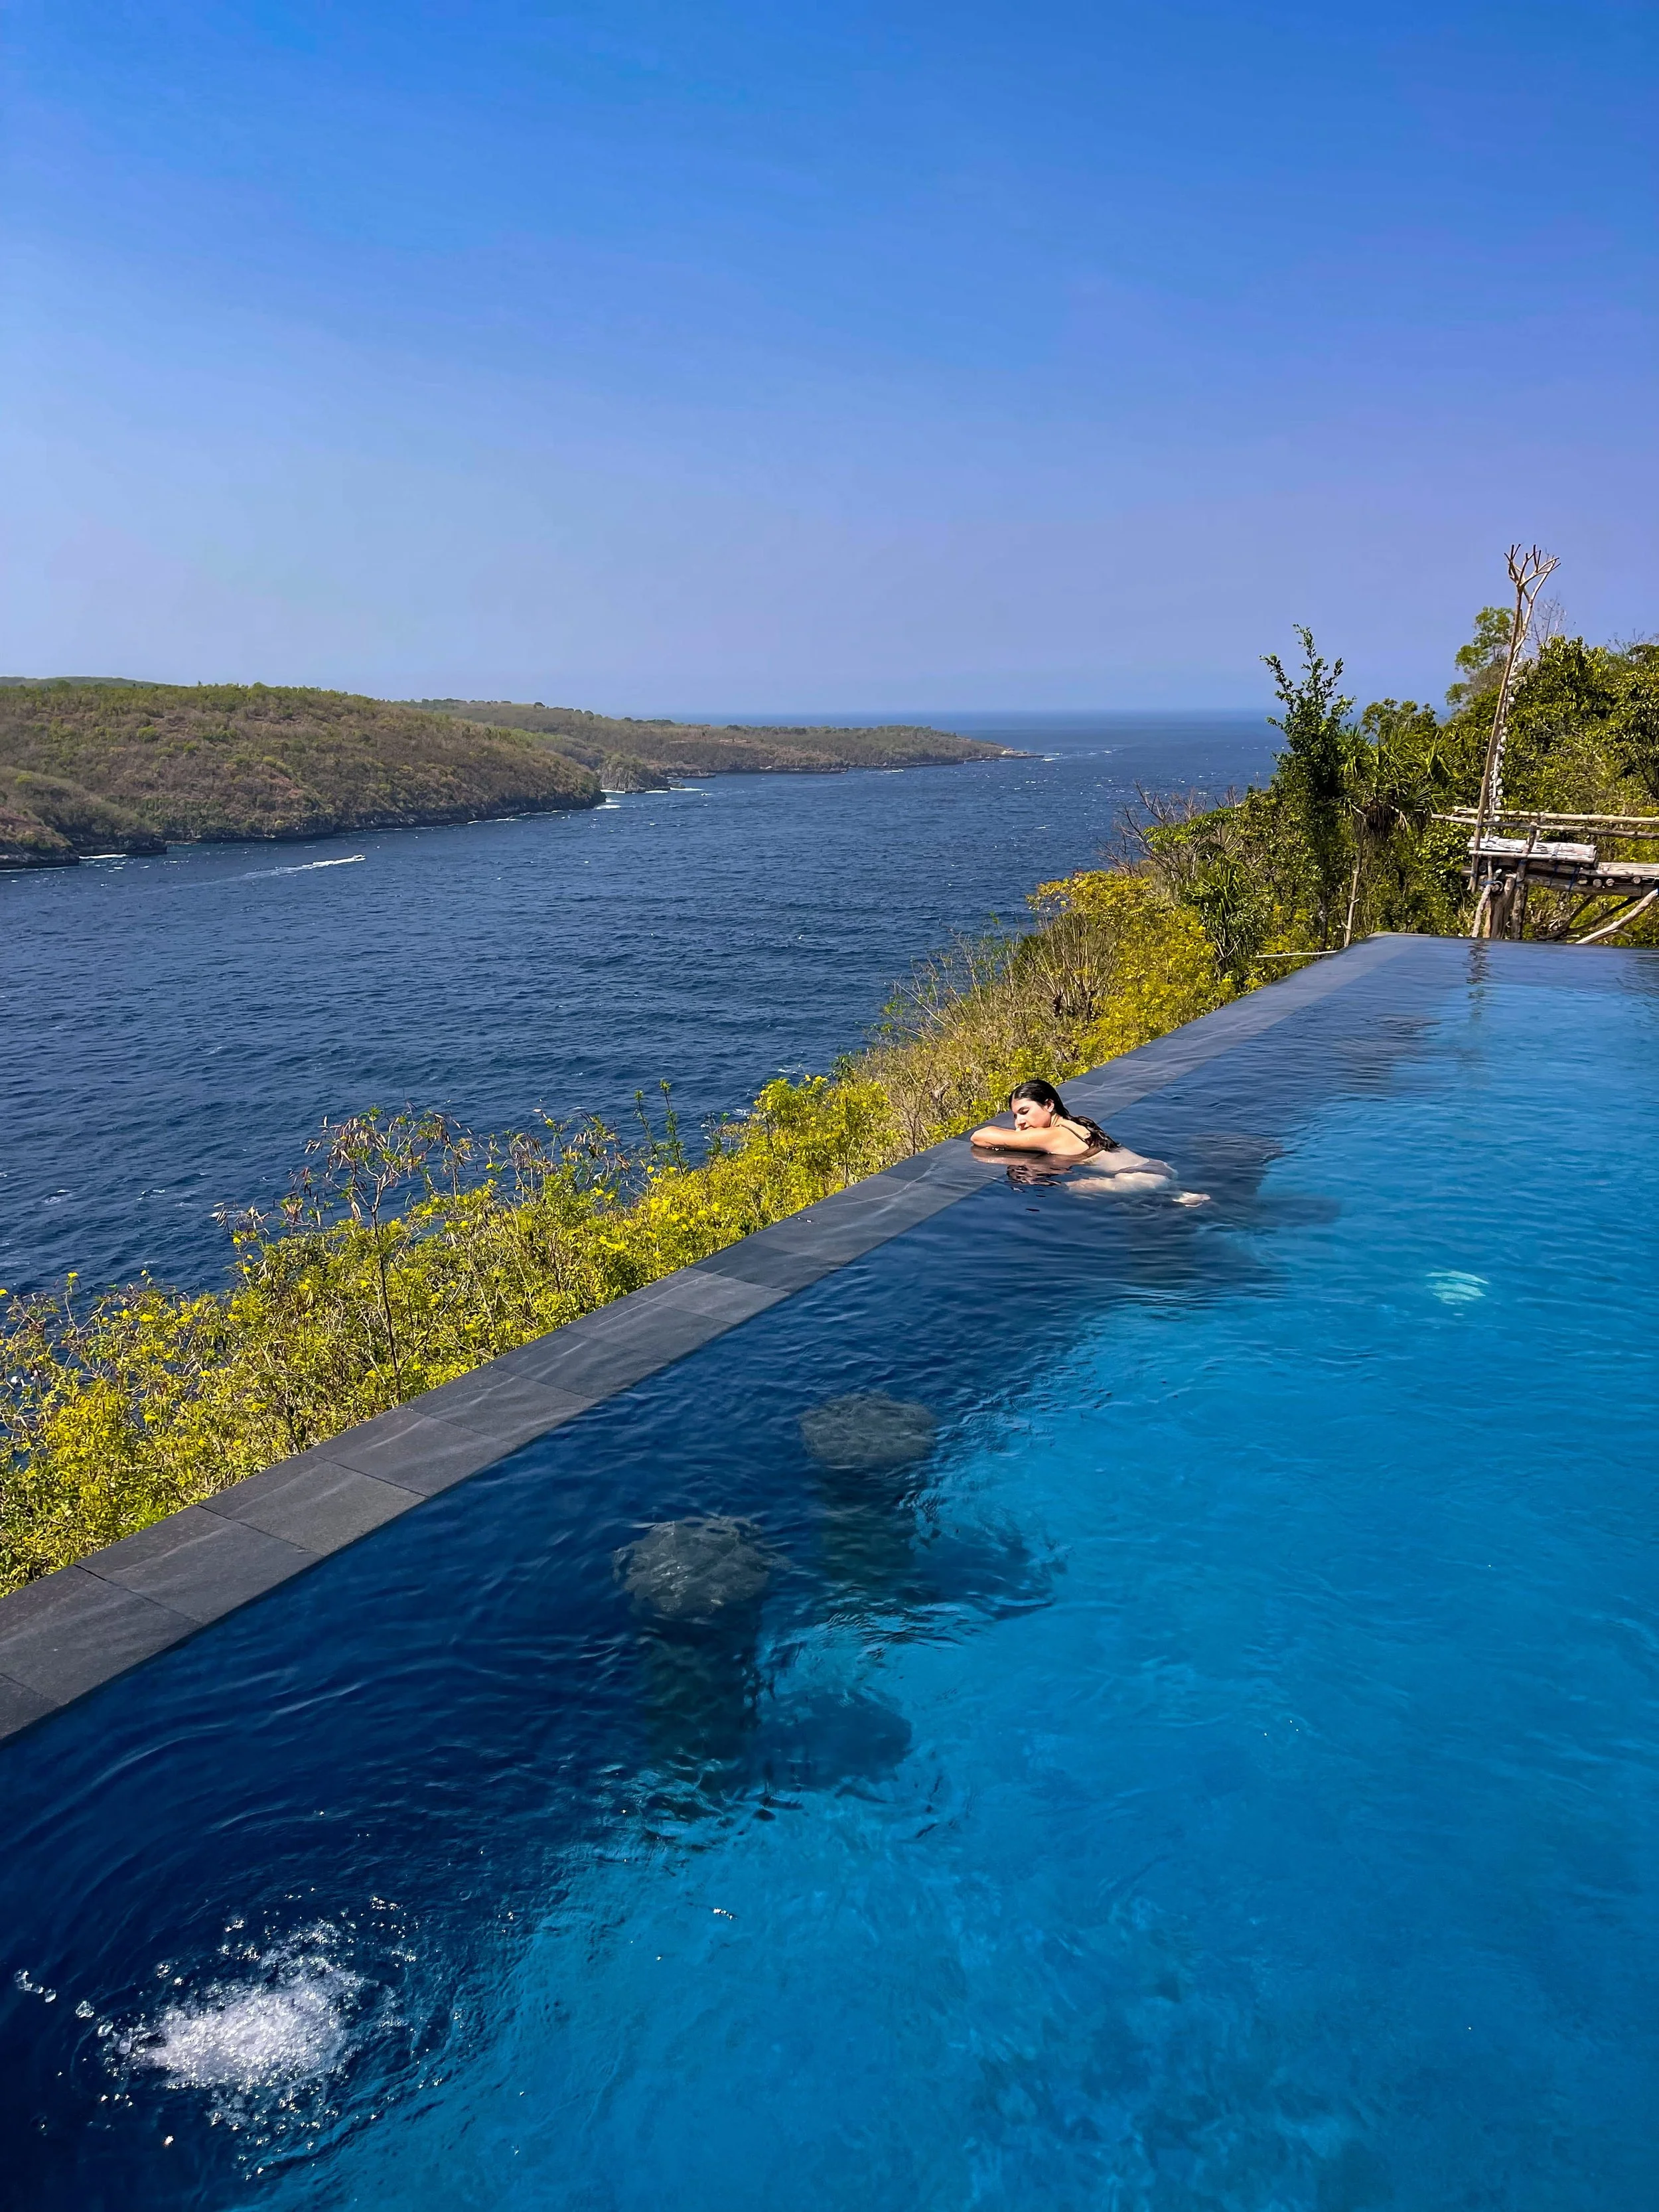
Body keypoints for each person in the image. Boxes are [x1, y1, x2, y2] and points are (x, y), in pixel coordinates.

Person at [970, 1079, 1208, 1204]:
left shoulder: (1054, 1134)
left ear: (1049, 1105)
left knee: (1075, 1188)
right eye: (1015, 1116)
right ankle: (1178, 1195)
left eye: (1024, 1111)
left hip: (1138, 1179)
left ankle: (1174, 1196)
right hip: (1158, 1168)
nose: (1019, 1122)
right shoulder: (1079, 1123)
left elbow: (981, 1136)